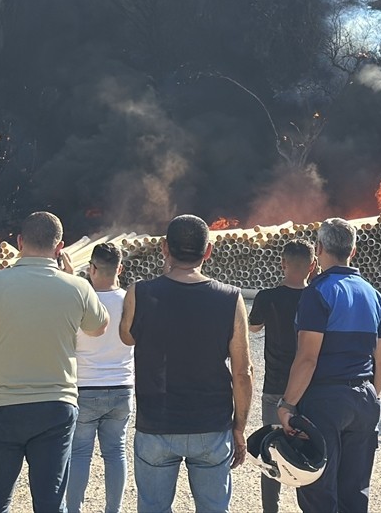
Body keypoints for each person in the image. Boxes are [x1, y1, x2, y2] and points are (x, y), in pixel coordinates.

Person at [0, 211, 109, 513]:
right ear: (60, 247)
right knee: (50, 503)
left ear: (19, 242)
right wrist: (75, 278)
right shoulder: (77, 287)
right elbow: (98, 327)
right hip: (56, 407)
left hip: (2, 407)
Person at [118, 214, 253, 513]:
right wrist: (239, 427)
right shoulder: (230, 298)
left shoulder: (140, 292)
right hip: (211, 424)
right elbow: (243, 372)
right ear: (208, 251)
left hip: (156, 423)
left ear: (164, 248)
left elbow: (127, 337)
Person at [275, 218, 381, 513]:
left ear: (319, 248)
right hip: (364, 397)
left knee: (319, 493)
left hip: (325, 400)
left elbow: (307, 358)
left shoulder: (318, 292)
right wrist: (370, 398)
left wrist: (287, 405)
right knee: (355, 492)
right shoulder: (373, 294)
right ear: (354, 251)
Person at [249, 239, 317, 513]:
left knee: (271, 452)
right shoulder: (318, 296)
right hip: (310, 386)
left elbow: (253, 328)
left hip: (275, 386)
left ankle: (271, 509)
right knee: (310, 451)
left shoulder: (267, 297)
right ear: (313, 266)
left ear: (282, 264)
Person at [67, 242, 134, 513]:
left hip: (85, 385)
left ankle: (74, 509)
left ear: (91, 269)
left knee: (79, 453)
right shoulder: (129, 300)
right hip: (122, 385)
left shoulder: (80, 300)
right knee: (116, 452)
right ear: (120, 269)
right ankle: (113, 509)